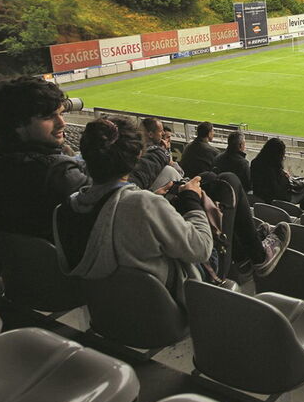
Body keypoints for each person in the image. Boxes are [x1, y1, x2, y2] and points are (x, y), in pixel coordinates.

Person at [54, 117, 289, 305]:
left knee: (207, 178)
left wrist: (161, 197)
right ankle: (258, 256)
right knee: (228, 182)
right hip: (172, 297)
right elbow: (200, 248)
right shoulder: (142, 205)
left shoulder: (64, 210)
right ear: (138, 156)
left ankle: (247, 253)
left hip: (109, 303)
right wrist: (190, 200)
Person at [0, 77, 92, 241]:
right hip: (64, 264)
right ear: (17, 123)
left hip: (8, 262)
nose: (62, 123)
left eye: (60, 113)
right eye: (48, 117)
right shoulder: (58, 173)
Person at [250, 138, 304, 211]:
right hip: (275, 201)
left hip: (259, 197)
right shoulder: (274, 169)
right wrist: (286, 179)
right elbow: (279, 191)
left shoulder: (255, 163)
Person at [132, 117, 178, 191]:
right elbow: (180, 172)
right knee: (169, 170)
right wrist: (165, 151)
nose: (163, 133)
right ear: (150, 134)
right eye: (160, 131)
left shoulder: (133, 147)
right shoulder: (157, 152)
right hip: (140, 194)